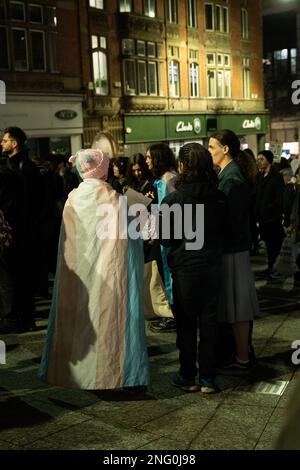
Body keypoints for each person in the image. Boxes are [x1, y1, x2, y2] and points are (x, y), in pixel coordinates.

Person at [38, 149, 149, 390]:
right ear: (104, 169)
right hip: (111, 272)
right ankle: (110, 375)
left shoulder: (72, 199)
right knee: (109, 320)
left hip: (78, 272)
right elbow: (139, 231)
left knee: (79, 320)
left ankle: (77, 374)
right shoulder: (117, 199)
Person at [158, 143, 225, 393]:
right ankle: (207, 378)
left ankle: (187, 375)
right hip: (212, 265)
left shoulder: (173, 199)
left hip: (185, 268)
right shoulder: (219, 197)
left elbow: (165, 238)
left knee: (186, 324)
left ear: (183, 166)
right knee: (209, 322)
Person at [208, 129, 259, 373]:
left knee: (239, 307)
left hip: (233, 250)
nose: (210, 152)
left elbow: (233, 220)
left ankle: (242, 359)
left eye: (211, 147)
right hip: (232, 248)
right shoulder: (227, 174)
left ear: (225, 149)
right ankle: (242, 354)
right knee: (236, 306)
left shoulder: (231, 178)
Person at [0, 127, 45, 331]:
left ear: (15, 143)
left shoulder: (23, 168)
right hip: (21, 229)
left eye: (5, 140)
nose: (2, 143)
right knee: (19, 276)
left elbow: (31, 202)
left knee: (19, 276)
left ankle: (21, 319)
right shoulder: (15, 165)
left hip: (20, 231)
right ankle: (23, 318)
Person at [145, 143, 177, 332]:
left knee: (170, 273)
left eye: (149, 157)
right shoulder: (162, 180)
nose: (147, 161)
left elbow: (171, 211)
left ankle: (172, 314)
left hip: (168, 237)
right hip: (164, 235)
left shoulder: (168, 180)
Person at [256, 150, 285, 277]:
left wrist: (269, 209)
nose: (259, 161)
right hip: (263, 218)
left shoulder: (276, 176)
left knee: (274, 244)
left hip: (272, 218)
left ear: (268, 160)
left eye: (261, 159)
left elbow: (279, 199)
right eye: (258, 159)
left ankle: (275, 267)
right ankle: (270, 266)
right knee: (268, 244)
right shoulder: (260, 175)